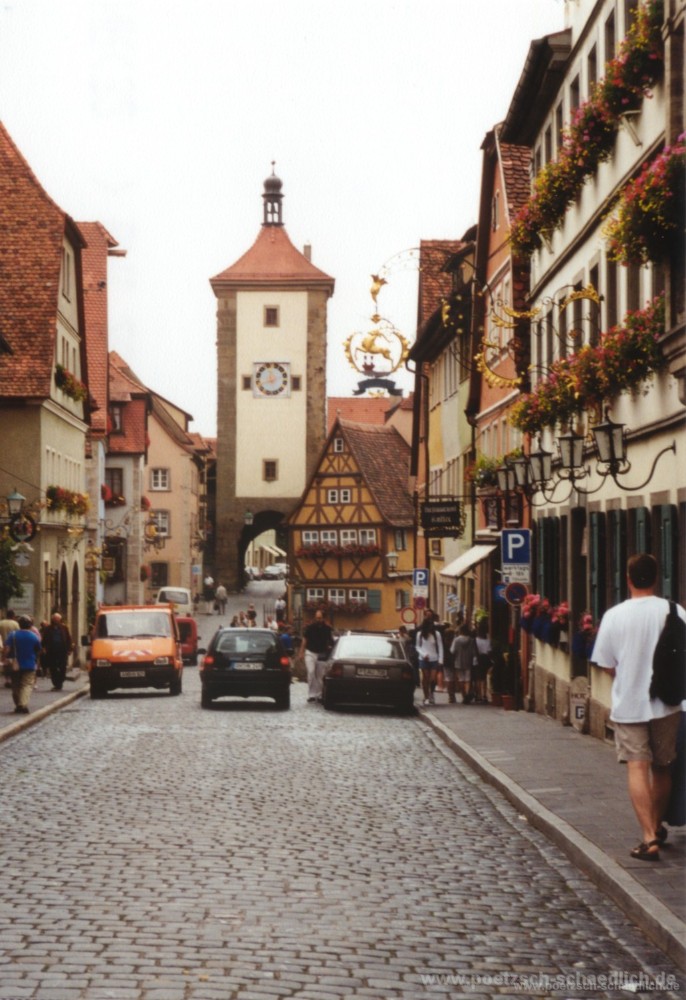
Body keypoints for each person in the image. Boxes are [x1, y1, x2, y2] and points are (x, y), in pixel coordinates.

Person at [592, 553, 686, 862]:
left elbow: (606, 663)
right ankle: (656, 825)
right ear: (656, 578)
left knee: (637, 766)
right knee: (662, 767)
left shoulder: (614, 615)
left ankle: (648, 837)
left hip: (630, 704)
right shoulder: (675, 611)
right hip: (666, 704)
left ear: (628, 579)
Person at [3, 615, 42, 714]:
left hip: (15, 664)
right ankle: (22, 704)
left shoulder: (13, 635)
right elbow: (38, 650)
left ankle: (18, 704)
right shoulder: (34, 636)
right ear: (30, 625)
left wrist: (4, 658)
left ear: (19, 624)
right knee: (27, 685)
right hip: (29, 664)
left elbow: (7, 649)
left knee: (15, 684)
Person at [299, 610, 334, 703]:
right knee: (311, 672)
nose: (318, 619)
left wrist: (329, 649)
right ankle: (311, 695)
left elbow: (330, 641)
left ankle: (319, 695)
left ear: (323, 618)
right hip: (310, 652)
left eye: (320, 618)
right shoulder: (310, 628)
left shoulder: (327, 629)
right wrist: (301, 652)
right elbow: (304, 640)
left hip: (321, 654)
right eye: (317, 618)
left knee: (320, 676)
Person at [40, 612, 74, 691]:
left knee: (62, 667)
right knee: (53, 667)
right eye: (54, 619)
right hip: (51, 651)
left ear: (60, 620)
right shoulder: (48, 629)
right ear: (52, 620)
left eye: (57, 619)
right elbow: (44, 639)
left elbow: (68, 639)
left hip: (62, 651)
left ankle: (60, 681)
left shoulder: (64, 628)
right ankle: (56, 684)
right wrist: (43, 647)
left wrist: (69, 649)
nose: (56, 621)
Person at [415, 616, 443, 707]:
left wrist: (441, 659)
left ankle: (431, 693)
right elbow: (417, 647)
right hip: (423, 659)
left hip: (434, 658)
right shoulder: (420, 634)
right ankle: (426, 696)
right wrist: (424, 654)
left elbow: (440, 646)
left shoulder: (437, 634)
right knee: (425, 678)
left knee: (432, 679)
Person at [450, 624, 478, 704]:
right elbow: (474, 652)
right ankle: (467, 695)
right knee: (467, 679)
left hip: (458, 661)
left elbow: (452, 651)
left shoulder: (456, 640)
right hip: (468, 661)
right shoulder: (471, 640)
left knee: (461, 679)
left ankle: (464, 695)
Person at [474, 623, 493, 704]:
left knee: (478, 678)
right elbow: (489, 651)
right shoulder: (488, 641)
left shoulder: (475, 640)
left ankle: (478, 695)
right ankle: (484, 695)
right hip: (485, 659)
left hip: (477, 659)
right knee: (484, 678)